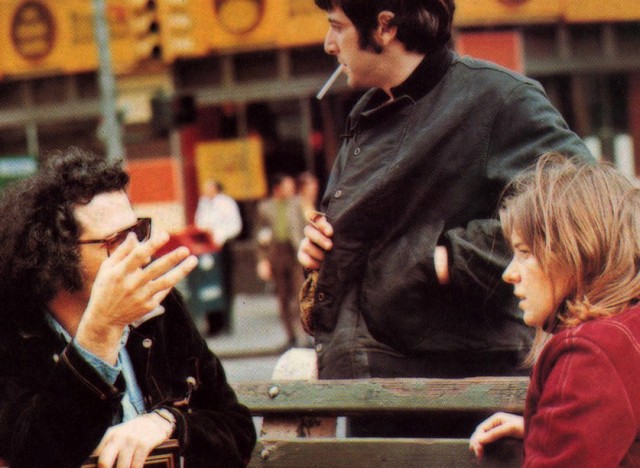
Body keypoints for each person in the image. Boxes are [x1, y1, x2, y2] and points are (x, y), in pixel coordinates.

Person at [298, 0, 592, 435]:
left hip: (465, 397)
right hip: (375, 393)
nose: (328, 44)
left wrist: (445, 259)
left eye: (337, 27)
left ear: (384, 27)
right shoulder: (369, 110)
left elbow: (582, 207)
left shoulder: (498, 98)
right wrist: (321, 250)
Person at [0, 148, 256, 467]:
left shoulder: (159, 307)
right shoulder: (13, 333)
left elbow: (238, 429)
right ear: (56, 253)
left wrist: (167, 423)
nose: (138, 252)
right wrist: (98, 336)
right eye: (115, 241)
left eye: (137, 231)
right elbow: (34, 455)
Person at [469, 153, 640, 466]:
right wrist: (550, 429)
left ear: (577, 253)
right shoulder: (627, 329)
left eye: (525, 253)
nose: (509, 273)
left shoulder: (589, 354)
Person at [256, 173, 308, 348]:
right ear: (277, 189)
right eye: (287, 186)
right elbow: (261, 236)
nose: (291, 189)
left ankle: (305, 335)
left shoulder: (297, 204)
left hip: (294, 253)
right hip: (276, 253)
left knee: (300, 294)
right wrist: (263, 260)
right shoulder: (265, 208)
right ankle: (291, 337)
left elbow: (304, 226)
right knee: (283, 297)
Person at [195, 179, 243, 335]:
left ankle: (225, 323)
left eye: (208, 188)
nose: (205, 191)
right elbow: (199, 222)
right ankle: (212, 324)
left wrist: (220, 238)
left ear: (216, 189)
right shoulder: (203, 203)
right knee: (208, 285)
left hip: (223, 246)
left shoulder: (226, 203)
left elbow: (235, 226)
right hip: (206, 247)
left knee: (224, 284)